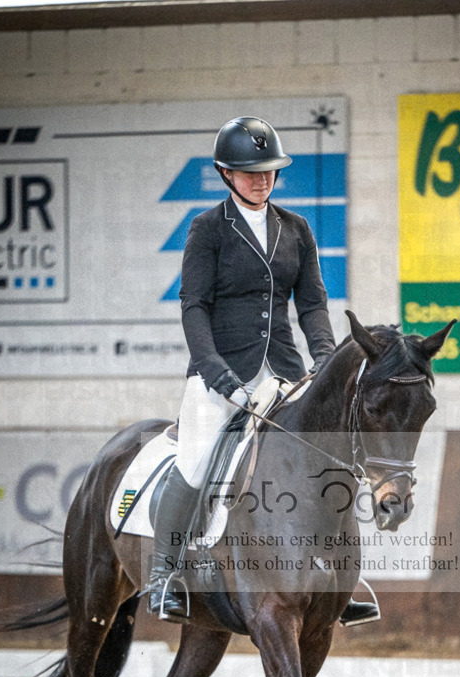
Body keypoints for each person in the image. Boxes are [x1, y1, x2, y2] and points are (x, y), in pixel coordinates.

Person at [148, 115, 378, 627]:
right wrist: (217, 375)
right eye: (250, 171)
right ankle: (165, 575)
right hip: (219, 375)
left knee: (328, 459)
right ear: (226, 174)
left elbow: (314, 304)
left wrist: (322, 362)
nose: (261, 179)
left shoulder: (296, 229)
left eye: (268, 170)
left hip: (285, 372)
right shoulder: (208, 229)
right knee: (197, 458)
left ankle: (343, 576)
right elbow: (193, 307)